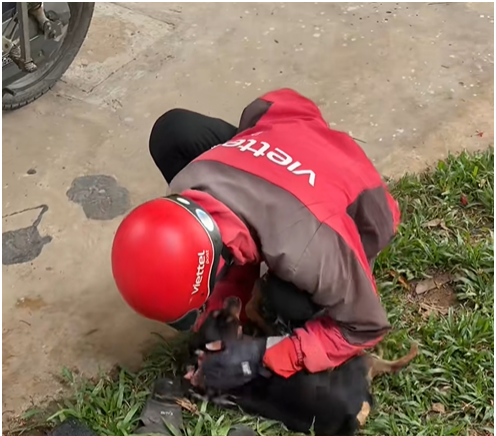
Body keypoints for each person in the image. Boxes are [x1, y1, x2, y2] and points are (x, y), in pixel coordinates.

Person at [112, 88, 400, 393]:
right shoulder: (191, 176)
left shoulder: (310, 247)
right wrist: (224, 303)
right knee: (173, 132)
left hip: (353, 195)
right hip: (283, 143)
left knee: (287, 300)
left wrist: (267, 355)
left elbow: (367, 326)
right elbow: (276, 102)